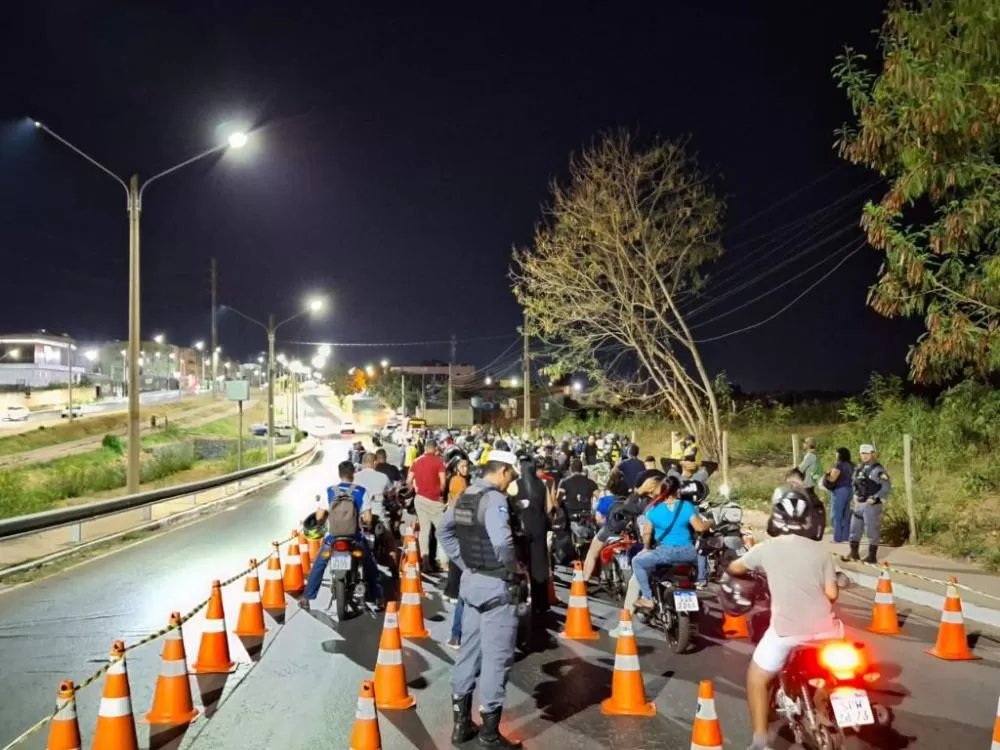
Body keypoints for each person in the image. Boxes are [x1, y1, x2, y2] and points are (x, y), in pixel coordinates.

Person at [726, 485, 842, 750]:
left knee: (757, 677)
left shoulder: (766, 548)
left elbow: (735, 567)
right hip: (826, 629)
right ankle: (822, 708)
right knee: (829, 671)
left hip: (787, 630)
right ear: (808, 519)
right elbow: (832, 594)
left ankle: (759, 741)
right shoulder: (821, 550)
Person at [438, 451, 525, 749]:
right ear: (501, 470)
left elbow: (444, 530)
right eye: (511, 475)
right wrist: (512, 571)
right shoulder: (496, 500)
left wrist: (466, 564)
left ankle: (460, 726)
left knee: (468, 654)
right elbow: (502, 542)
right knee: (495, 661)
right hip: (496, 587)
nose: (511, 481)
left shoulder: (465, 495)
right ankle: (489, 734)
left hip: (471, 585)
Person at [300, 460, 382, 610]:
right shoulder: (361, 491)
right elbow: (368, 518)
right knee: (370, 564)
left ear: (339, 474)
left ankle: (307, 597)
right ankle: (377, 597)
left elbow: (319, 517)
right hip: (355, 538)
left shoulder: (329, 491)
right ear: (353, 475)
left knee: (319, 565)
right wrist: (366, 524)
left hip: (333, 539)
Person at [633, 476, 713, 610]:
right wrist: (711, 522)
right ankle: (701, 581)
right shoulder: (687, 506)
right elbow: (699, 528)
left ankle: (647, 598)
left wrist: (646, 548)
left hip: (665, 554)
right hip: (688, 553)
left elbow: (646, 534)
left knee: (637, 562)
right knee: (701, 548)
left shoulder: (653, 510)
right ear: (678, 490)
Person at [582, 473, 664, 583]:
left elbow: (599, 519)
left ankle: (584, 579)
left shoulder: (606, 500)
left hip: (611, 530)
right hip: (637, 537)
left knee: (592, 552)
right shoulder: (668, 504)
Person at [513, 456, 552, 616]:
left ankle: (521, 598)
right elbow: (549, 507)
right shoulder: (541, 485)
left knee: (521, 564)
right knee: (539, 564)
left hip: (522, 526)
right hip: (539, 526)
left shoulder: (516, 485)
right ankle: (541, 602)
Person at [407, 439, 447, 573]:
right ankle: (444, 562)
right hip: (435, 501)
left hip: (420, 500)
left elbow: (408, 481)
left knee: (424, 531)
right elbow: (443, 483)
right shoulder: (439, 462)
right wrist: (440, 493)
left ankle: (425, 562)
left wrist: (416, 488)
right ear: (435, 449)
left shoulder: (416, 461)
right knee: (441, 531)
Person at [846, 444, 891, 563]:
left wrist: (875, 497)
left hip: (871, 505)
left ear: (872, 454)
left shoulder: (878, 470)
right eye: (862, 453)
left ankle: (872, 556)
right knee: (854, 529)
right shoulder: (858, 468)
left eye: (867, 453)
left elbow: (886, 487)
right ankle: (854, 552)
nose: (864, 456)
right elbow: (854, 484)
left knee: (871, 530)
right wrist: (854, 497)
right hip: (859, 503)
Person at [445, 455, 472, 648]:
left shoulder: (461, 482)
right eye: (463, 466)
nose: (466, 469)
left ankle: (457, 635)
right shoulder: (458, 482)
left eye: (467, 466)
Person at [823, 447, 854, 543]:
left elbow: (832, 478)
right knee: (847, 514)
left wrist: (827, 474)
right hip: (851, 490)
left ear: (840, 455)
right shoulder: (852, 465)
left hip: (840, 491)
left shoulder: (839, 465)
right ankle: (846, 536)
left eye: (836, 453)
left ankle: (837, 537)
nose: (835, 455)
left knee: (836, 514)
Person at [355, 452, 391, 519]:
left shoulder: (354, 477)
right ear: (375, 462)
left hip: (360, 515)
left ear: (362, 463)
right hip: (379, 515)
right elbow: (391, 490)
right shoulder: (383, 476)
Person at [797, 437, 823, 504]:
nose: (803, 444)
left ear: (809, 445)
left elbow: (801, 468)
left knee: (807, 501)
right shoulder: (814, 454)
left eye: (805, 443)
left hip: (807, 482)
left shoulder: (810, 455)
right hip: (810, 481)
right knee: (811, 499)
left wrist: (792, 471)